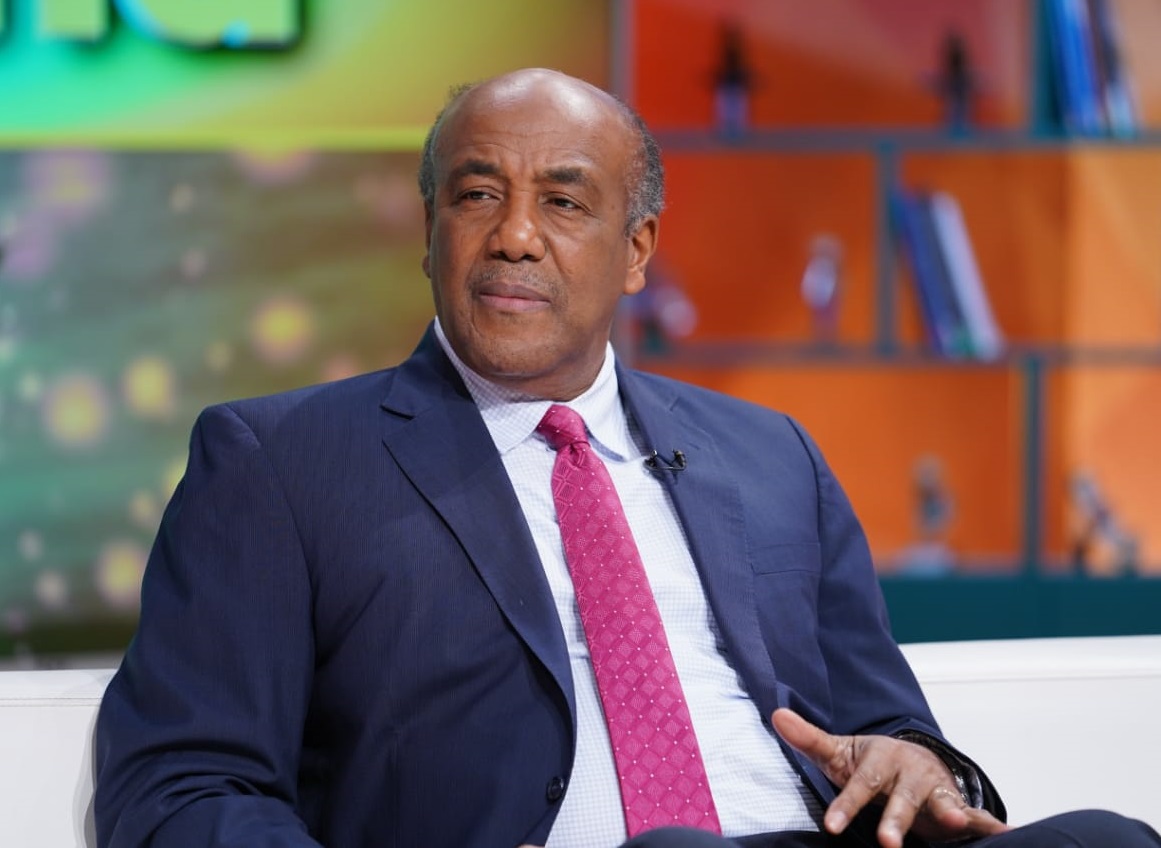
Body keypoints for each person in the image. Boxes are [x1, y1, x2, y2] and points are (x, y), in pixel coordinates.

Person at [94, 68, 1160, 848]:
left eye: (563, 202)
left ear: (636, 250)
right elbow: (182, 787)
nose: (515, 235)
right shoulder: (278, 462)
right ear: (429, 231)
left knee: (1108, 839)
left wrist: (912, 762)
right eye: (476, 194)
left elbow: (889, 725)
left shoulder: (771, 453)